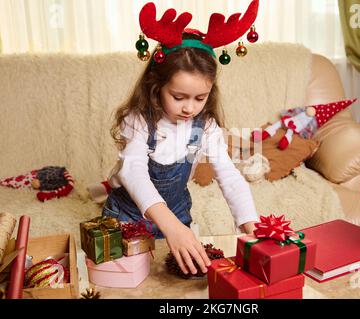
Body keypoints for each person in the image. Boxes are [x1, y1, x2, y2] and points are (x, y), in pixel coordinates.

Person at [103, 1, 260, 276]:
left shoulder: (205, 126)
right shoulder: (140, 121)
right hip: (127, 218)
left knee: (176, 279)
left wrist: (251, 225)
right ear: (156, 87)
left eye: (200, 98)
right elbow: (133, 173)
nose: (190, 108)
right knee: (126, 277)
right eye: (178, 97)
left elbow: (229, 175)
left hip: (177, 213)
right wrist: (171, 227)